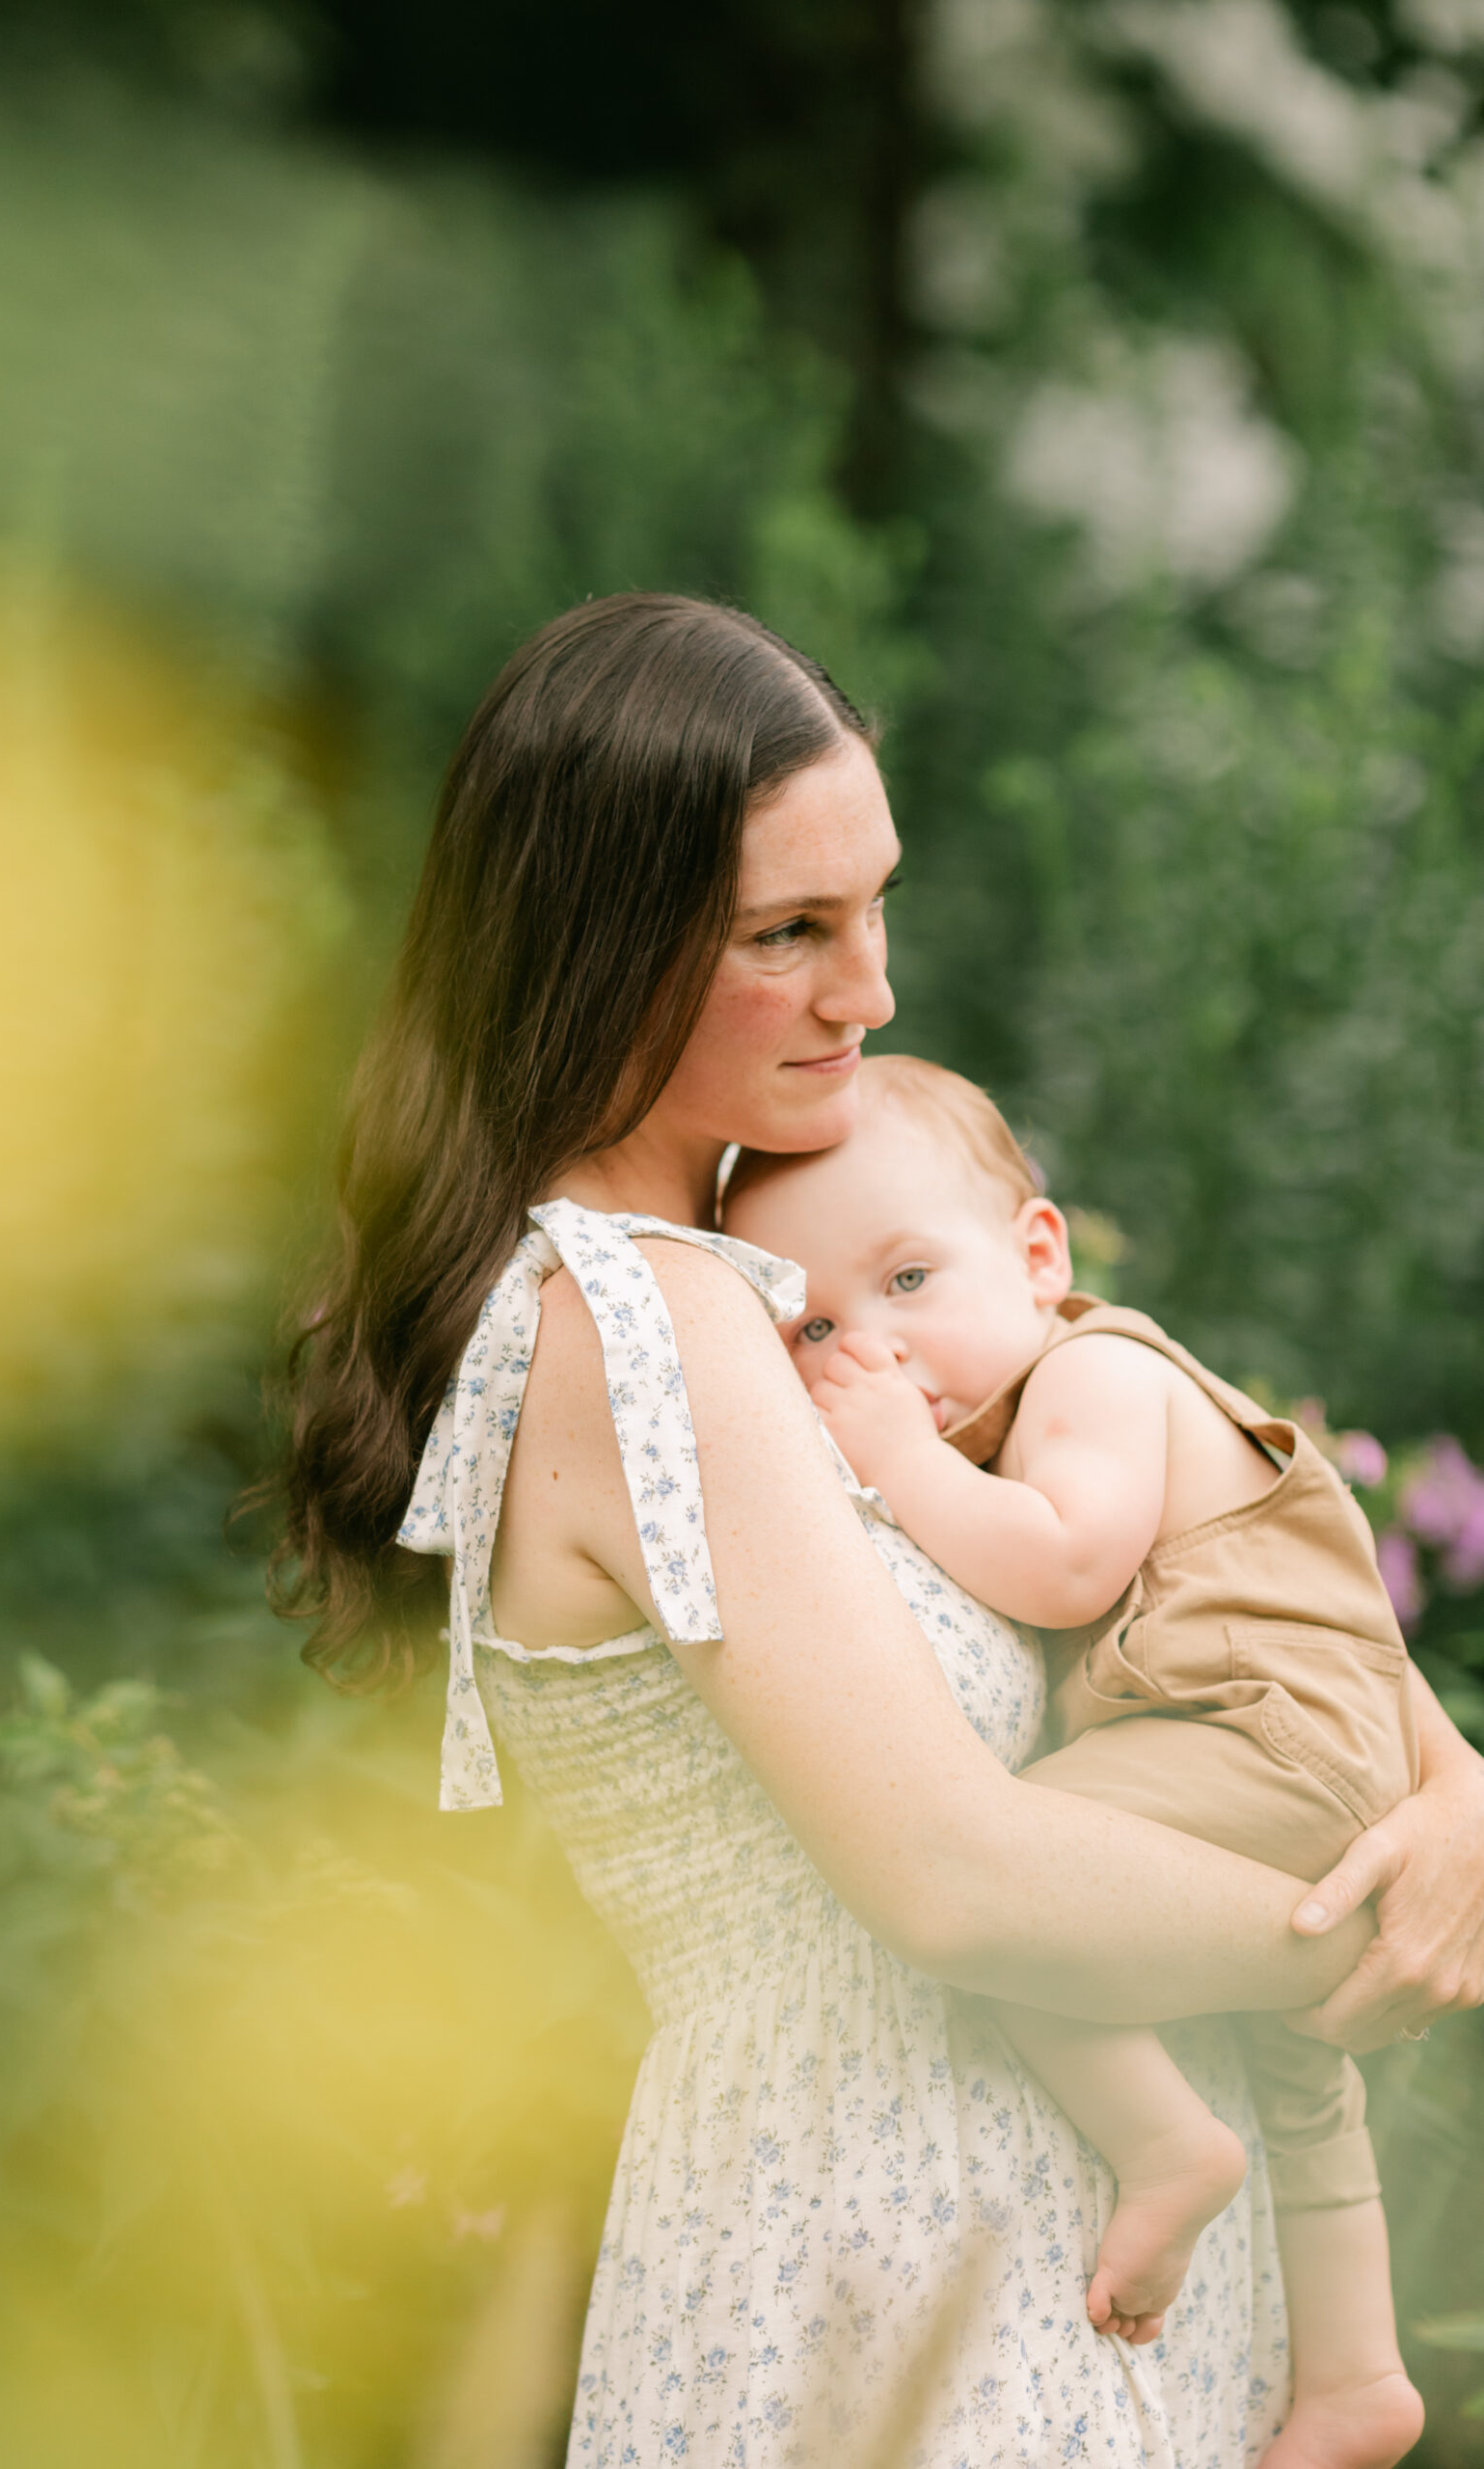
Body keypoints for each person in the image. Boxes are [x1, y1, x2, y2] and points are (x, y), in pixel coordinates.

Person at [270, 593, 1484, 2467]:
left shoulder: (779, 1276)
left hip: (1036, 2235)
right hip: (900, 2240)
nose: (873, 988)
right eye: (790, 934)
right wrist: (1349, 1931)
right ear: (600, 943)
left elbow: (1172, 1554)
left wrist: (1443, 1776)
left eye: (873, 904)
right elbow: (955, 1880)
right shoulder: (636, 1317)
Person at [723, 1055, 1427, 2468]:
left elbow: (1065, 1565)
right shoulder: (1016, 1404)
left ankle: (1166, 2145)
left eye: (909, 1281)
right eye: (812, 1330)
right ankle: (1358, 2378)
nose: (878, 1351)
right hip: (1291, 1756)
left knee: (1006, 1877)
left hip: (1260, 1736)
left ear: (1038, 1256)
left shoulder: (1092, 1373)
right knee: (1303, 2065)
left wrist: (892, 1465)